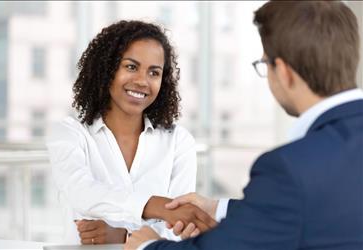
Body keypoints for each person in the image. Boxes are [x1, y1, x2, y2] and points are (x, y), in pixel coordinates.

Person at [125, 1, 363, 249]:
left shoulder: (290, 168)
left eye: (264, 65)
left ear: (283, 72)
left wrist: (147, 246)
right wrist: (217, 208)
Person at [46, 20, 216, 245]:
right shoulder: (70, 134)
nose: (142, 81)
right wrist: (157, 207)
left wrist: (124, 236)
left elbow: (180, 226)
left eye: (154, 72)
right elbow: (81, 192)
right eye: (131, 67)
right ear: (107, 69)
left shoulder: (178, 141)